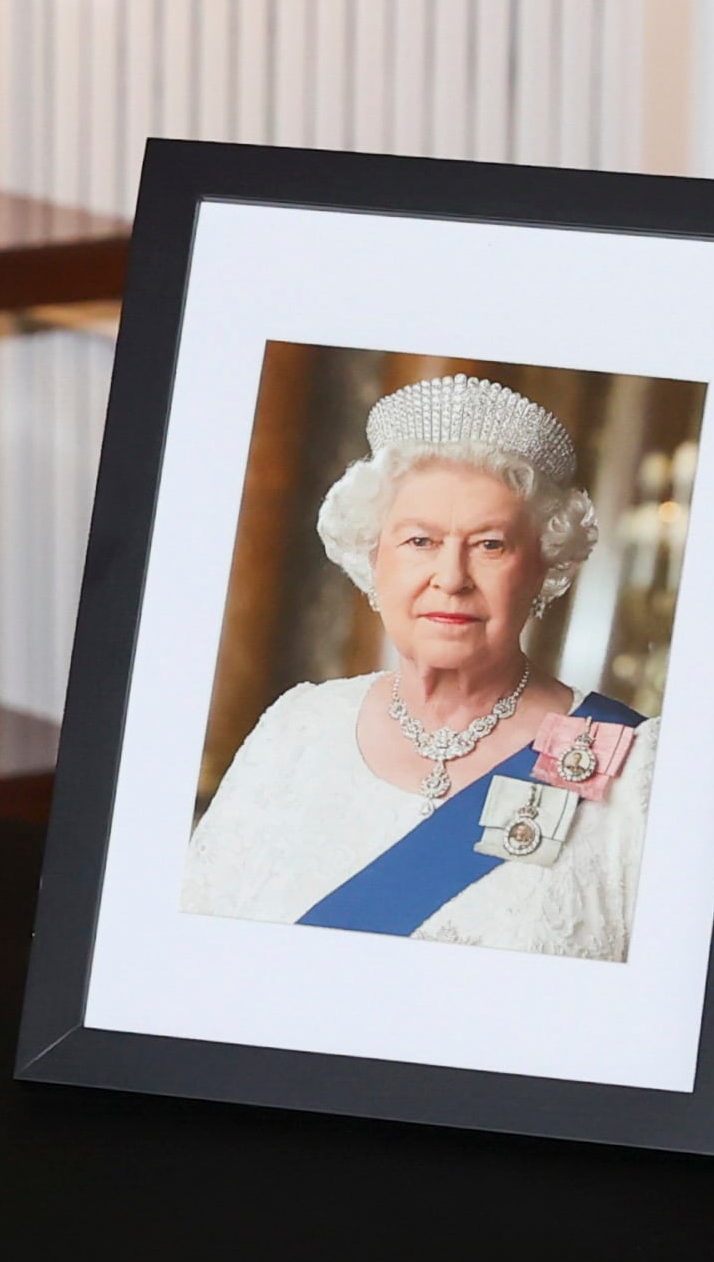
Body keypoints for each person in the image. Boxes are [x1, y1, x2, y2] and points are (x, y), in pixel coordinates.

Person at [182, 374, 654, 962]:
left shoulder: (630, 767)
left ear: (542, 569)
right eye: (420, 541)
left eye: (490, 545)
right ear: (373, 561)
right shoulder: (297, 727)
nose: (451, 578)